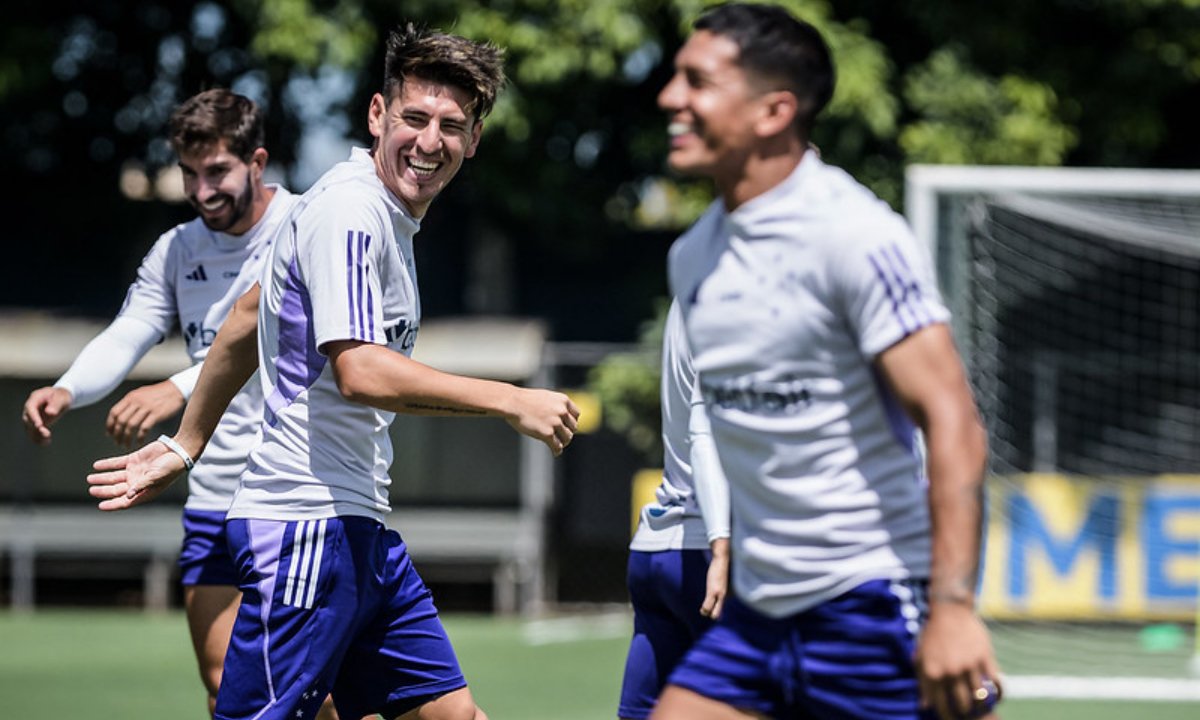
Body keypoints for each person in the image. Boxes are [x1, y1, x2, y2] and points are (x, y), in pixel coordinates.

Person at [87, 23, 579, 720]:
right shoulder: (351, 211)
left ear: (474, 140)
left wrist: (183, 443)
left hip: (358, 531)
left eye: (451, 125)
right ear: (378, 116)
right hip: (304, 530)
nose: (430, 141)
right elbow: (362, 373)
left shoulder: (370, 213)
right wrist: (508, 399)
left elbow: (243, 320)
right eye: (414, 118)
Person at [653, 4, 1003, 720]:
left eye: (698, 81)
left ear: (774, 109)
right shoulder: (691, 256)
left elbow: (953, 421)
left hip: (871, 604)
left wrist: (955, 608)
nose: (670, 98)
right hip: (758, 615)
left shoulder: (856, 236)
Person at [16, 88, 337, 719]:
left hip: (296, 495)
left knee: (310, 694)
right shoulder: (177, 249)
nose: (201, 190)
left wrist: (177, 387)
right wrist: (68, 386)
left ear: (257, 160)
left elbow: (283, 342)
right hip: (211, 496)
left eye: (216, 172)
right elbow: (132, 327)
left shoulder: (307, 228)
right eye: (190, 175)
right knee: (224, 685)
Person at [618, 298, 731, 720]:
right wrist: (724, 545)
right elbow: (706, 435)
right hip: (709, 553)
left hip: (657, 548)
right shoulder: (731, 298)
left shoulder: (692, 292)